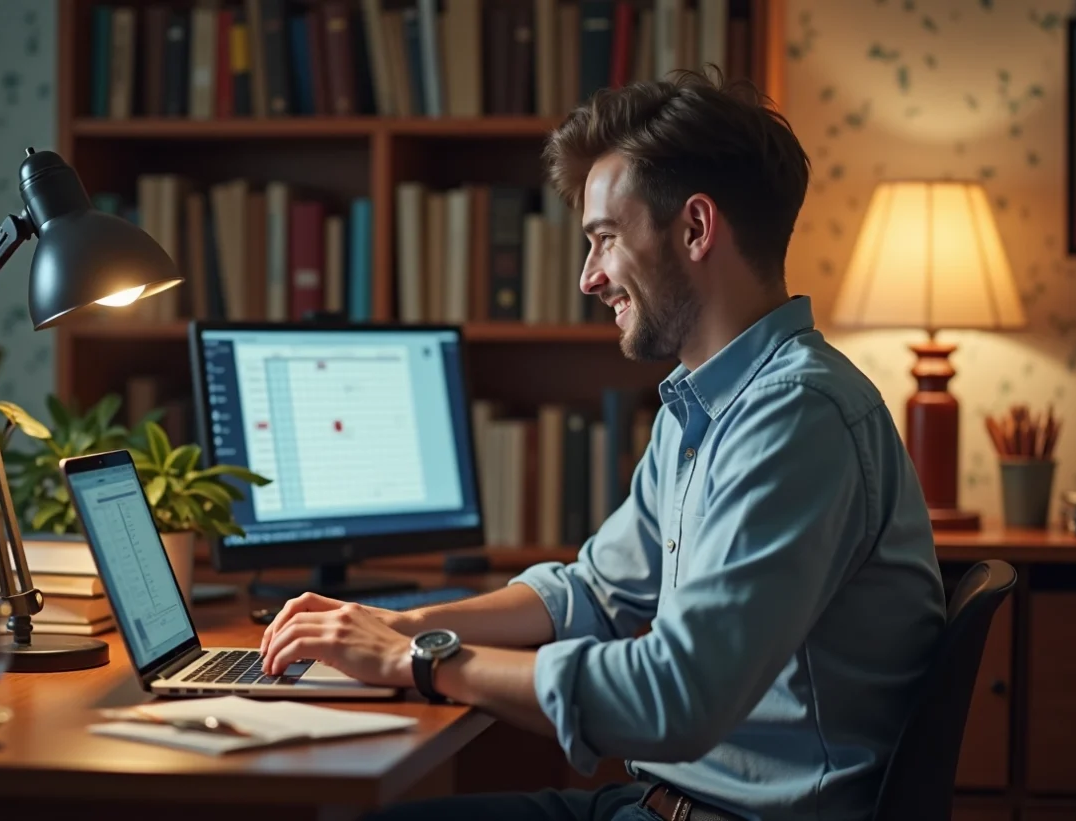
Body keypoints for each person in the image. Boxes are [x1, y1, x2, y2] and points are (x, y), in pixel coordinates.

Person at [258, 69, 946, 821]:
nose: (589, 277)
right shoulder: (705, 404)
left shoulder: (794, 418)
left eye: (604, 240)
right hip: (659, 802)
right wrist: (397, 623)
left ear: (694, 228)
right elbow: (592, 592)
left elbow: (673, 696)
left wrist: (415, 661)